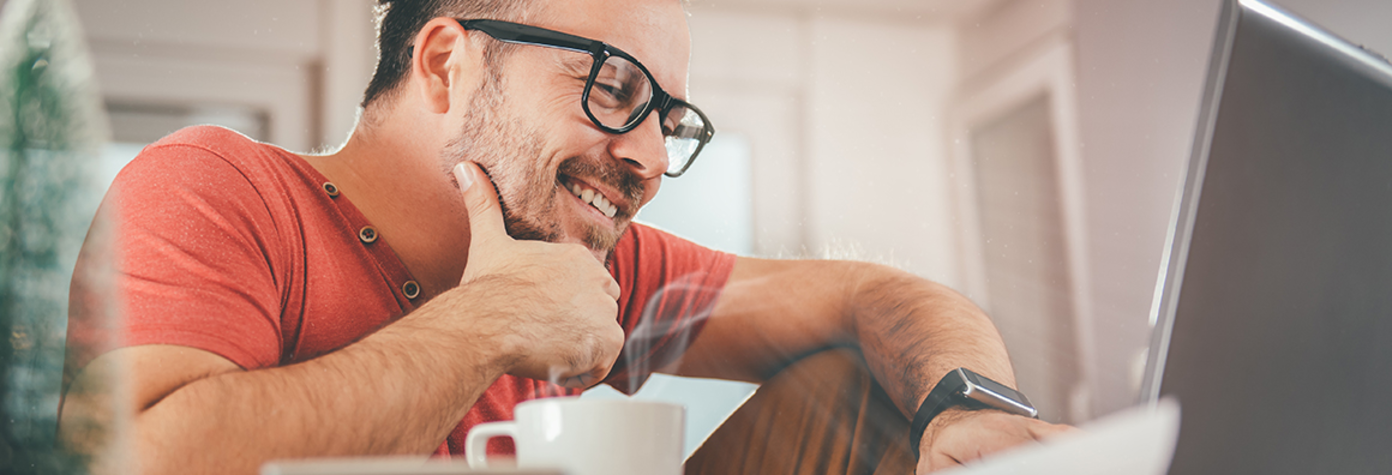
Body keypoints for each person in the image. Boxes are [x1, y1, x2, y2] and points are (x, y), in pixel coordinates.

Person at [58, 0, 1069, 474]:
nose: (650, 159)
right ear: (448, 65)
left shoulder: (601, 269)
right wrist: (488, 322)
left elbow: (875, 299)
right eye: (613, 88)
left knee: (869, 393)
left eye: (665, 118)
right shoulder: (221, 189)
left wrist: (968, 405)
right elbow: (140, 458)